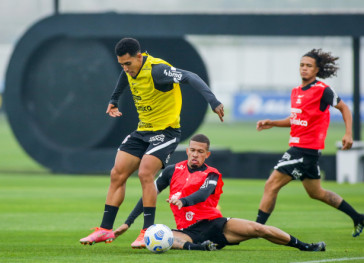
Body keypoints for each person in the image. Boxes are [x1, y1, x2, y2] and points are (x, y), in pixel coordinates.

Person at [80, 38, 224, 245]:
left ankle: (147, 231)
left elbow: (191, 76)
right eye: (121, 64)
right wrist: (114, 99)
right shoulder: (130, 69)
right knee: (116, 173)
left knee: (145, 172)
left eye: (128, 63)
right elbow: (125, 76)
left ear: (139, 56)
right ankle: (104, 229)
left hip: (166, 132)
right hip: (143, 130)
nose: (125, 68)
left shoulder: (158, 70)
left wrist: (213, 101)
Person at [113, 134, 326, 252]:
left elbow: (203, 195)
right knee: (161, 236)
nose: (195, 155)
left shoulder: (212, 174)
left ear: (207, 154)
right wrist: (129, 222)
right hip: (189, 231)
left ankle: (306, 246)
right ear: (187, 151)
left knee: (258, 228)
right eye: (192, 150)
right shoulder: (171, 171)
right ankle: (199, 248)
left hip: (217, 225)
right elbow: (148, 196)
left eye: (200, 152)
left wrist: (183, 200)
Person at [255, 48, 364, 238]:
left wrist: (348, 133)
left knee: (271, 185)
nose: (304, 69)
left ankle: (255, 228)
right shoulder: (296, 91)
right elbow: (296, 119)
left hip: (304, 150)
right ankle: (358, 217)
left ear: (317, 70)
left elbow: (344, 108)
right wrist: (272, 122)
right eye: (302, 65)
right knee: (316, 193)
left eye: (309, 66)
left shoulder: (322, 90)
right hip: (304, 151)